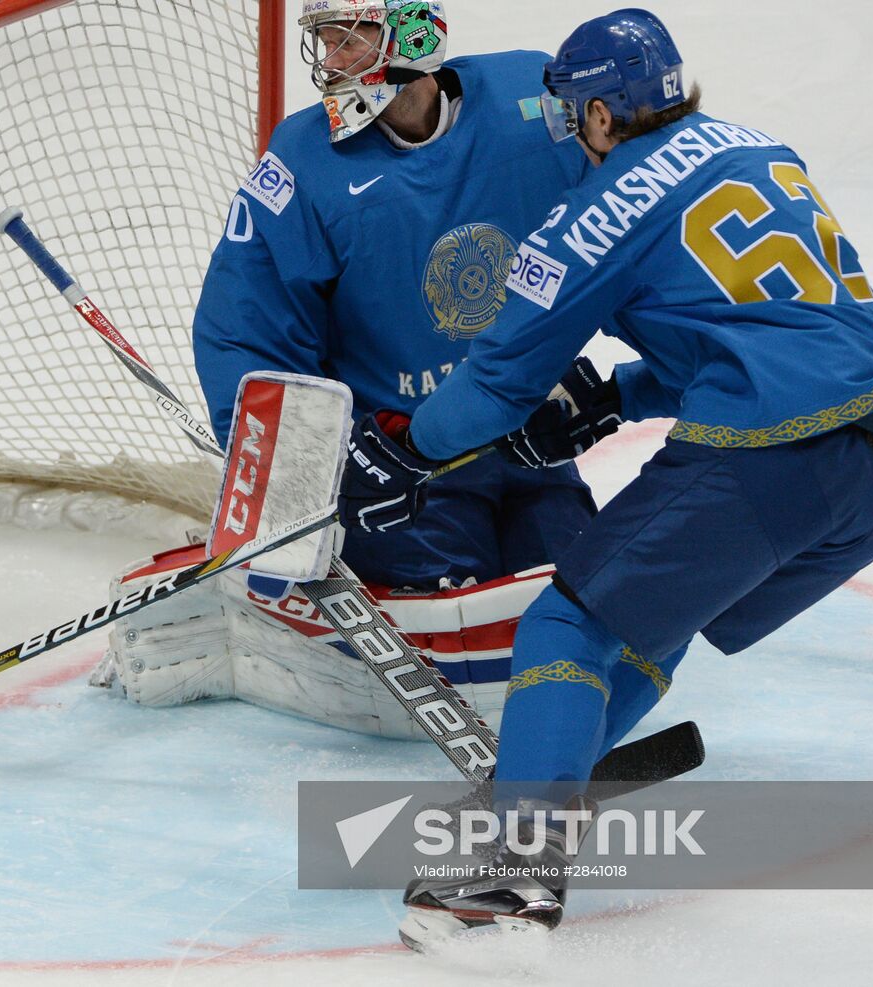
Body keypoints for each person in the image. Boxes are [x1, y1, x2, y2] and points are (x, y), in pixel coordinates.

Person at [336, 8, 873, 948]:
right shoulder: (755, 148)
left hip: (769, 458)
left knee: (568, 619)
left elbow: (496, 383)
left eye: (576, 117)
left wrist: (408, 450)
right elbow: (782, 324)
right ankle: (547, 785)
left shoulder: (594, 210)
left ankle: (513, 875)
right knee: (648, 617)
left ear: (606, 114)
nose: (573, 135)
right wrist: (621, 393)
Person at [91, 0, 601, 738]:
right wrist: (292, 472)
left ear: (416, 33)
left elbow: (631, 212)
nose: (330, 58)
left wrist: (611, 367)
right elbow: (245, 326)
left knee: (589, 589)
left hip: (523, 441)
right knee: (455, 621)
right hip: (398, 466)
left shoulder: (537, 102)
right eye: (324, 37)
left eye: (350, 35)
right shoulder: (303, 161)